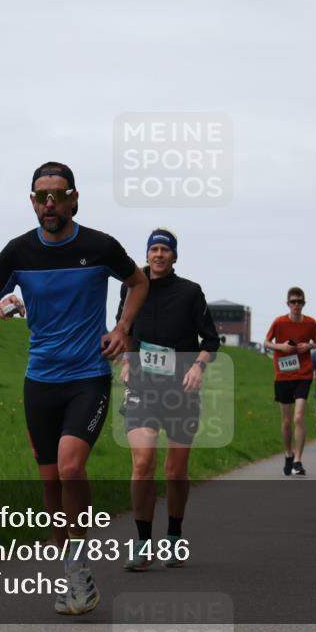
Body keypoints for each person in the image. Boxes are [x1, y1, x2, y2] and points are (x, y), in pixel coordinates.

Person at [0, 161, 148, 615]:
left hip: (88, 376)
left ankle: (80, 561)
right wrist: (2, 307)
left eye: (57, 194)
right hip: (40, 381)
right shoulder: (18, 252)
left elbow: (138, 281)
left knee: (71, 468)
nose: (49, 203)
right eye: (40, 196)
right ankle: (74, 573)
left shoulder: (99, 245)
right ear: (32, 202)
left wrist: (123, 327)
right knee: (50, 484)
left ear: (74, 199)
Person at [116, 228, 219, 570]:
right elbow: (124, 329)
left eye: (165, 250)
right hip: (142, 390)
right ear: (146, 254)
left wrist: (199, 368)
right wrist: (128, 359)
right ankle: (143, 543)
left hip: (180, 392)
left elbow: (211, 341)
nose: (159, 255)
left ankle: (174, 536)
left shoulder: (190, 293)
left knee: (175, 470)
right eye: (154, 249)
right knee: (143, 464)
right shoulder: (131, 287)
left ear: (174, 256)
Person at [263, 287, 316, 475]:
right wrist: (281, 347)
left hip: (303, 374)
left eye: (299, 302)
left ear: (304, 304)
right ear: (288, 304)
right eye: (293, 302)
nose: (296, 305)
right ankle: (288, 453)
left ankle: (298, 460)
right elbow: (266, 342)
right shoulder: (279, 322)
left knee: (298, 417)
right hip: (283, 375)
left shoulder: (311, 322)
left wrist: (308, 346)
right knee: (287, 421)